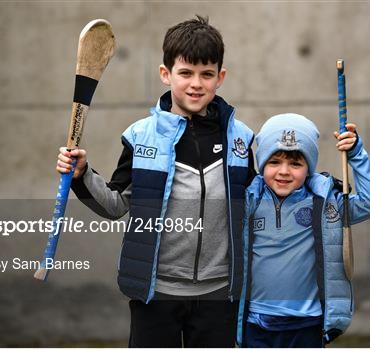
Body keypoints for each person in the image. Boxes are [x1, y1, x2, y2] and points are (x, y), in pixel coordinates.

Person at [56, 16, 255, 348]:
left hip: (219, 294)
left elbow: (264, 198)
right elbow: (115, 205)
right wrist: (81, 175)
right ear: (166, 74)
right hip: (155, 292)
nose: (196, 84)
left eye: (206, 74)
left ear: (220, 78)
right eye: (185, 73)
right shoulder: (140, 136)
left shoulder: (241, 139)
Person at [236, 113, 370, 348]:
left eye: (295, 163)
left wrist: (356, 154)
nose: (284, 171)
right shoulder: (249, 201)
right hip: (256, 322)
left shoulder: (327, 204)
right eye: (274, 162)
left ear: (309, 167)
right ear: (262, 164)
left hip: (307, 323)